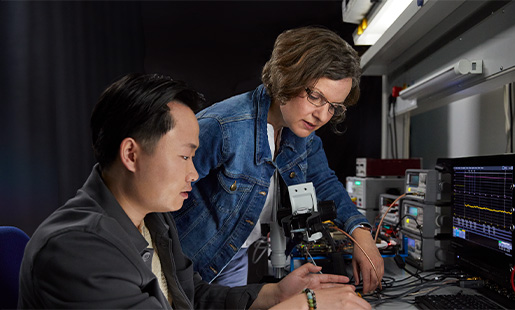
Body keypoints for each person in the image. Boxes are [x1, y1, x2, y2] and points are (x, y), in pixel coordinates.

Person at [18, 73, 371, 310]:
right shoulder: (76, 250)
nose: (194, 172)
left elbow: (192, 296)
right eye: (186, 156)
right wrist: (304, 306)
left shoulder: (155, 223)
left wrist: (277, 294)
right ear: (131, 154)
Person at [173, 26, 384, 293]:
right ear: (288, 76)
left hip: (235, 255)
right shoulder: (222, 127)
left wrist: (361, 233)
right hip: (190, 264)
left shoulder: (302, 135)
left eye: (333, 106)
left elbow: (324, 182)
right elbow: (160, 200)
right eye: (315, 97)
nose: (322, 115)